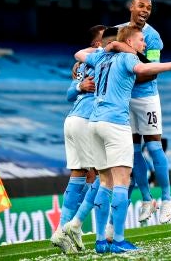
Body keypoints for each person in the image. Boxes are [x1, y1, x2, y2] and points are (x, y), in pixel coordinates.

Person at [75, 25, 171, 253]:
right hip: (114, 123)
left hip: (94, 123)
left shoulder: (102, 56)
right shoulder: (126, 58)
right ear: (130, 42)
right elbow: (145, 68)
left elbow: (79, 54)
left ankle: (101, 240)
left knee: (104, 182)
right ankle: (118, 240)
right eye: (141, 40)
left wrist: (112, 45)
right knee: (121, 181)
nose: (144, 44)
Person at [115, 0, 171, 224]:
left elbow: (152, 70)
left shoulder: (153, 36)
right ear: (131, 7)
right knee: (133, 151)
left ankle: (167, 198)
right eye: (141, 6)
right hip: (125, 100)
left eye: (149, 8)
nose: (145, 11)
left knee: (154, 146)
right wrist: (80, 64)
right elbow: (100, 55)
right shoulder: (116, 31)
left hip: (147, 98)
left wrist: (123, 76)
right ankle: (148, 199)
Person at [50, 25, 106, 254]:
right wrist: (80, 85)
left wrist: (79, 84)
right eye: (105, 38)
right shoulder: (98, 60)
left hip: (72, 120)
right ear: (95, 45)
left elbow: (69, 94)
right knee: (103, 175)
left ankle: (69, 230)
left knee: (82, 174)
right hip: (84, 120)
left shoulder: (84, 65)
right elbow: (69, 93)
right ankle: (68, 229)